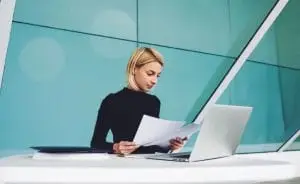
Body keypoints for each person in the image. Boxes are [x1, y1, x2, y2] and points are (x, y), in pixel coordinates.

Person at [90, 47, 186, 155]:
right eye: (150, 73)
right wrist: (116, 147)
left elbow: (151, 146)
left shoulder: (154, 102)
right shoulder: (112, 101)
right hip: (125, 165)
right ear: (134, 69)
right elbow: (96, 143)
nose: (154, 80)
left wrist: (171, 146)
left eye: (157, 75)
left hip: (151, 165)